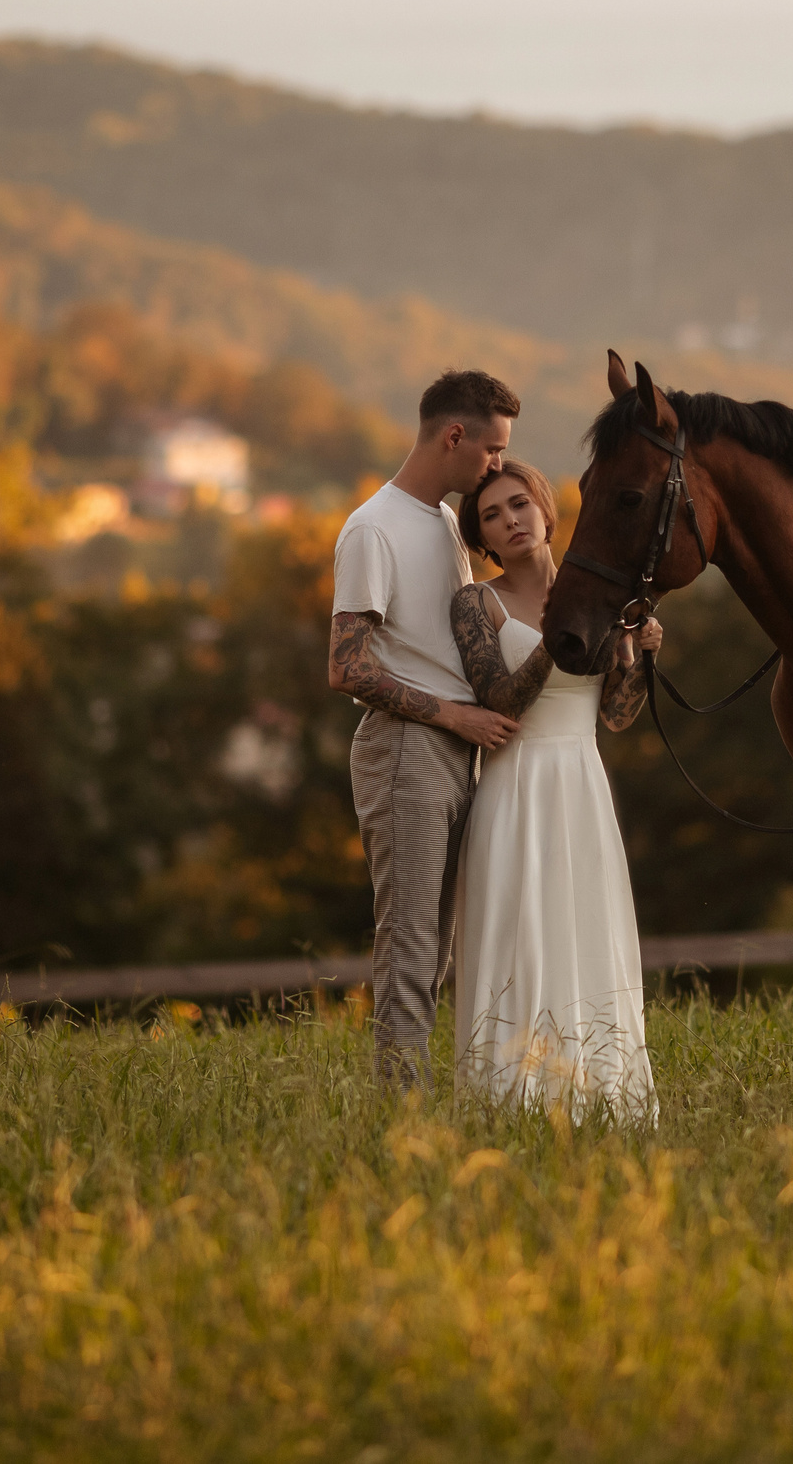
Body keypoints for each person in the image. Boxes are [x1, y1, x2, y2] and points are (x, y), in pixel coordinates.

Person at [447, 460, 663, 1119]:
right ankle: (510, 1099)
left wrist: (639, 653)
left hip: (582, 782)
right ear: (482, 537)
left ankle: (600, 1094)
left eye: (518, 505)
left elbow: (616, 715)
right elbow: (499, 697)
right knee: (519, 933)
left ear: (545, 510)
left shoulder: (598, 593)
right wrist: (558, 636)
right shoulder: (476, 603)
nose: (510, 519)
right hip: (515, 788)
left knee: (586, 930)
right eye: (492, 515)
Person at [327, 370, 523, 1089]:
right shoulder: (373, 528)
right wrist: (451, 715)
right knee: (409, 940)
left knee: (436, 946)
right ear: (454, 436)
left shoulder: (441, 519)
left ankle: (420, 1090)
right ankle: (398, 1111)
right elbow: (345, 667)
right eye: (493, 450)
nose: (498, 465)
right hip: (406, 748)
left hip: (453, 746)